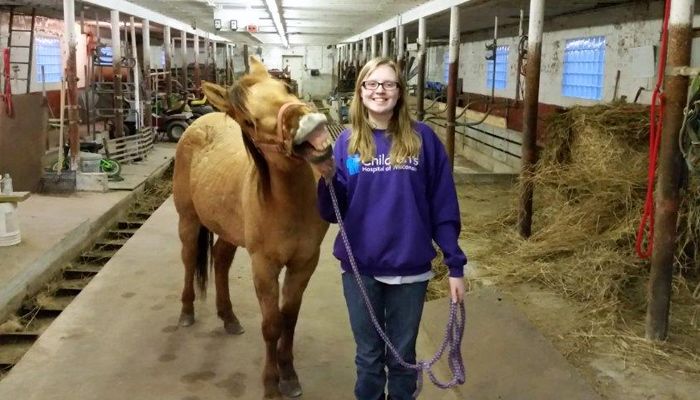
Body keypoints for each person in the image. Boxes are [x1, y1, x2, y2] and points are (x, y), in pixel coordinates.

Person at [310, 57, 467, 400]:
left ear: (399, 92)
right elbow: (333, 211)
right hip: (361, 269)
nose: (380, 90)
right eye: (372, 83)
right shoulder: (347, 142)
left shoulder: (423, 139)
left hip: (410, 269)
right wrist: (325, 177)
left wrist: (455, 264)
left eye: (389, 84)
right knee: (368, 358)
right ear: (361, 91)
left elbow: (443, 204)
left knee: (402, 358)